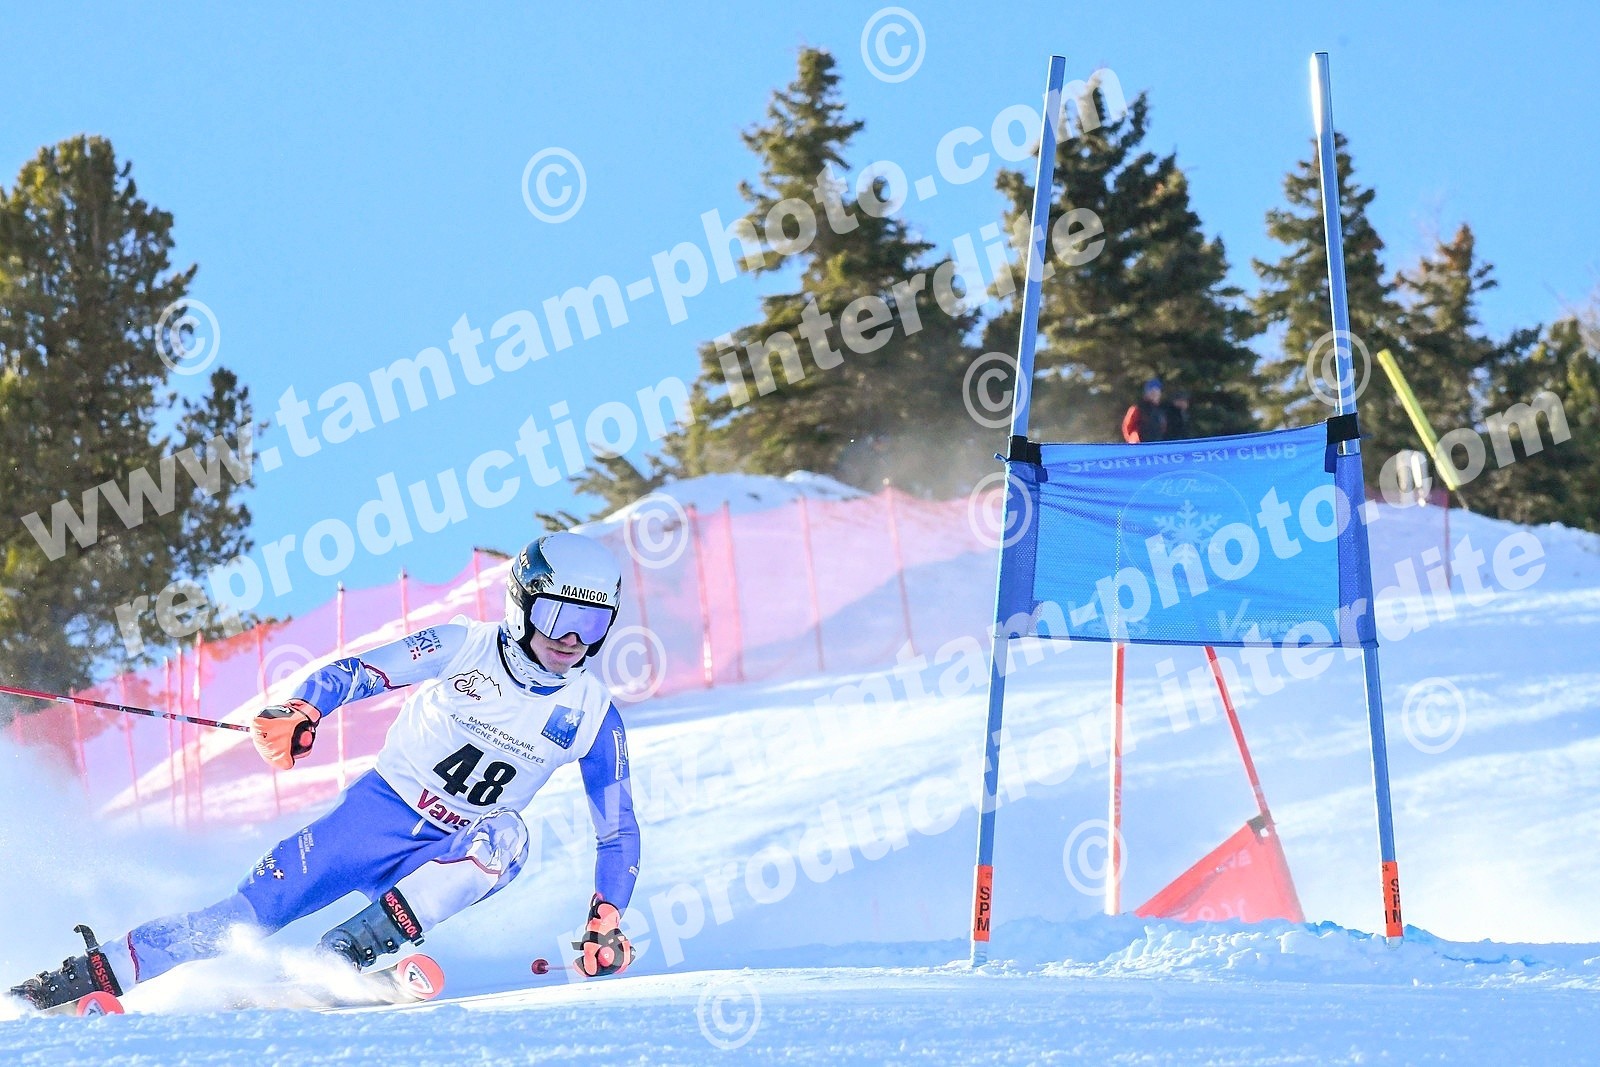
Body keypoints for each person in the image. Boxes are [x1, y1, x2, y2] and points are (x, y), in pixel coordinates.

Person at [8, 532, 641, 1011]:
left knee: (507, 837)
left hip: (451, 851)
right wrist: (304, 708)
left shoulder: (593, 715)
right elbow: (357, 672)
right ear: (521, 606)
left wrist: (606, 915)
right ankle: (79, 981)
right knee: (241, 919)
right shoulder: (463, 646)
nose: (571, 639)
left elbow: (617, 829)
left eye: (591, 624)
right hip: (370, 819)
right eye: (558, 616)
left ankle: (341, 956)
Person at [1121, 378, 1168, 443]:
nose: (1155, 394)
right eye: (1152, 392)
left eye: (1157, 392)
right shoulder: (1137, 409)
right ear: (1146, 393)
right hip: (1141, 445)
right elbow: (1128, 427)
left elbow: (1163, 428)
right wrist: (1133, 442)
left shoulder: (1161, 411)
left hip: (1157, 445)